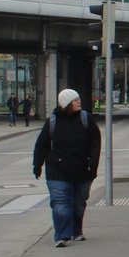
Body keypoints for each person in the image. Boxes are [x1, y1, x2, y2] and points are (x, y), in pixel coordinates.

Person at [33, 89, 100, 248]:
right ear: (66, 104)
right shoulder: (53, 122)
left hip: (82, 170)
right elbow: (41, 146)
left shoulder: (86, 119)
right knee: (61, 204)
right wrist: (37, 165)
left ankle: (76, 231)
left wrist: (93, 165)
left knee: (78, 203)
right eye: (75, 100)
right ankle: (61, 236)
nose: (79, 102)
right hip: (58, 170)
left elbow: (95, 143)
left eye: (78, 99)